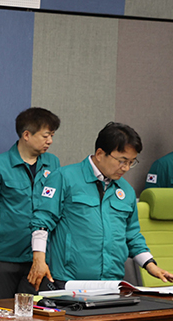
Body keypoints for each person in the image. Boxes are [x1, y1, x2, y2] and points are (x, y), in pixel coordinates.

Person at [28, 123, 173, 289]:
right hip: (68, 282)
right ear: (100, 154)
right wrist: (38, 259)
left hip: (111, 283)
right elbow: (42, 221)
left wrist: (151, 265)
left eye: (131, 162)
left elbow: (132, 235)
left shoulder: (126, 190)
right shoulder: (64, 177)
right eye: (122, 161)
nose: (125, 168)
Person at [0, 107, 61, 299]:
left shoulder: (53, 163)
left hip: (40, 258)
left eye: (52, 136)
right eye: (46, 135)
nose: (50, 141)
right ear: (27, 135)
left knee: (34, 316)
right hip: (5, 256)